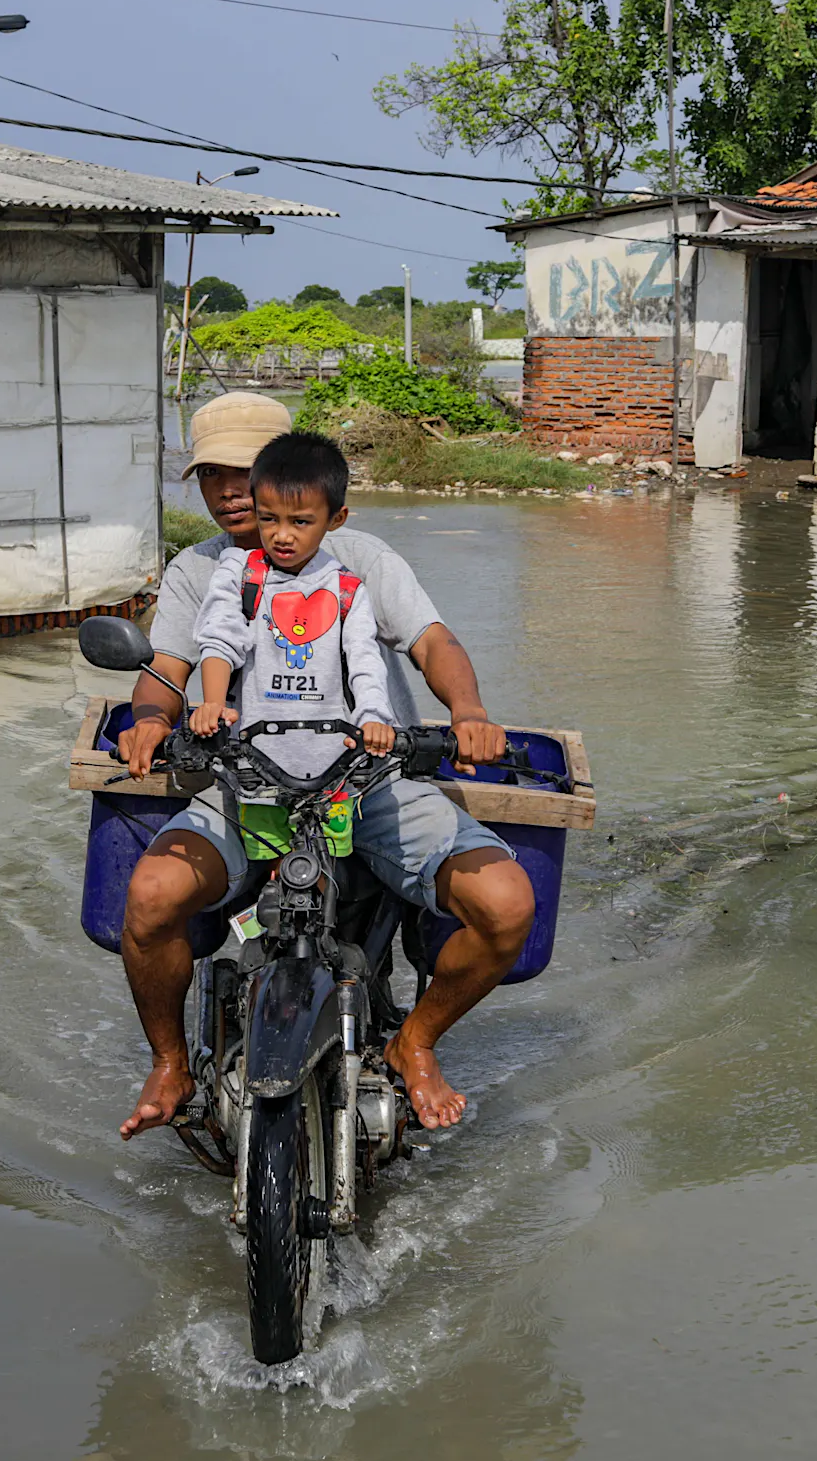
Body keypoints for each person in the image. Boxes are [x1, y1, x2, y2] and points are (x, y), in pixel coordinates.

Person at [116, 391, 535, 1141]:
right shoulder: (202, 570)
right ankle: (171, 1061)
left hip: (370, 783)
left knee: (505, 905)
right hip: (245, 785)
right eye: (213, 475)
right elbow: (170, 666)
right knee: (150, 895)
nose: (233, 491)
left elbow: (433, 642)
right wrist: (151, 718)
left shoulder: (359, 559)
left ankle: (417, 1040)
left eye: (249, 471)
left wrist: (468, 710)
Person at [188, 431, 397, 765]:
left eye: (300, 522)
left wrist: (373, 716)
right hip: (254, 765)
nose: (282, 535)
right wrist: (213, 705)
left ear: (336, 519)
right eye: (269, 518)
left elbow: (365, 660)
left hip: (336, 767)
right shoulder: (239, 573)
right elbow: (219, 637)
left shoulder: (348, 589)